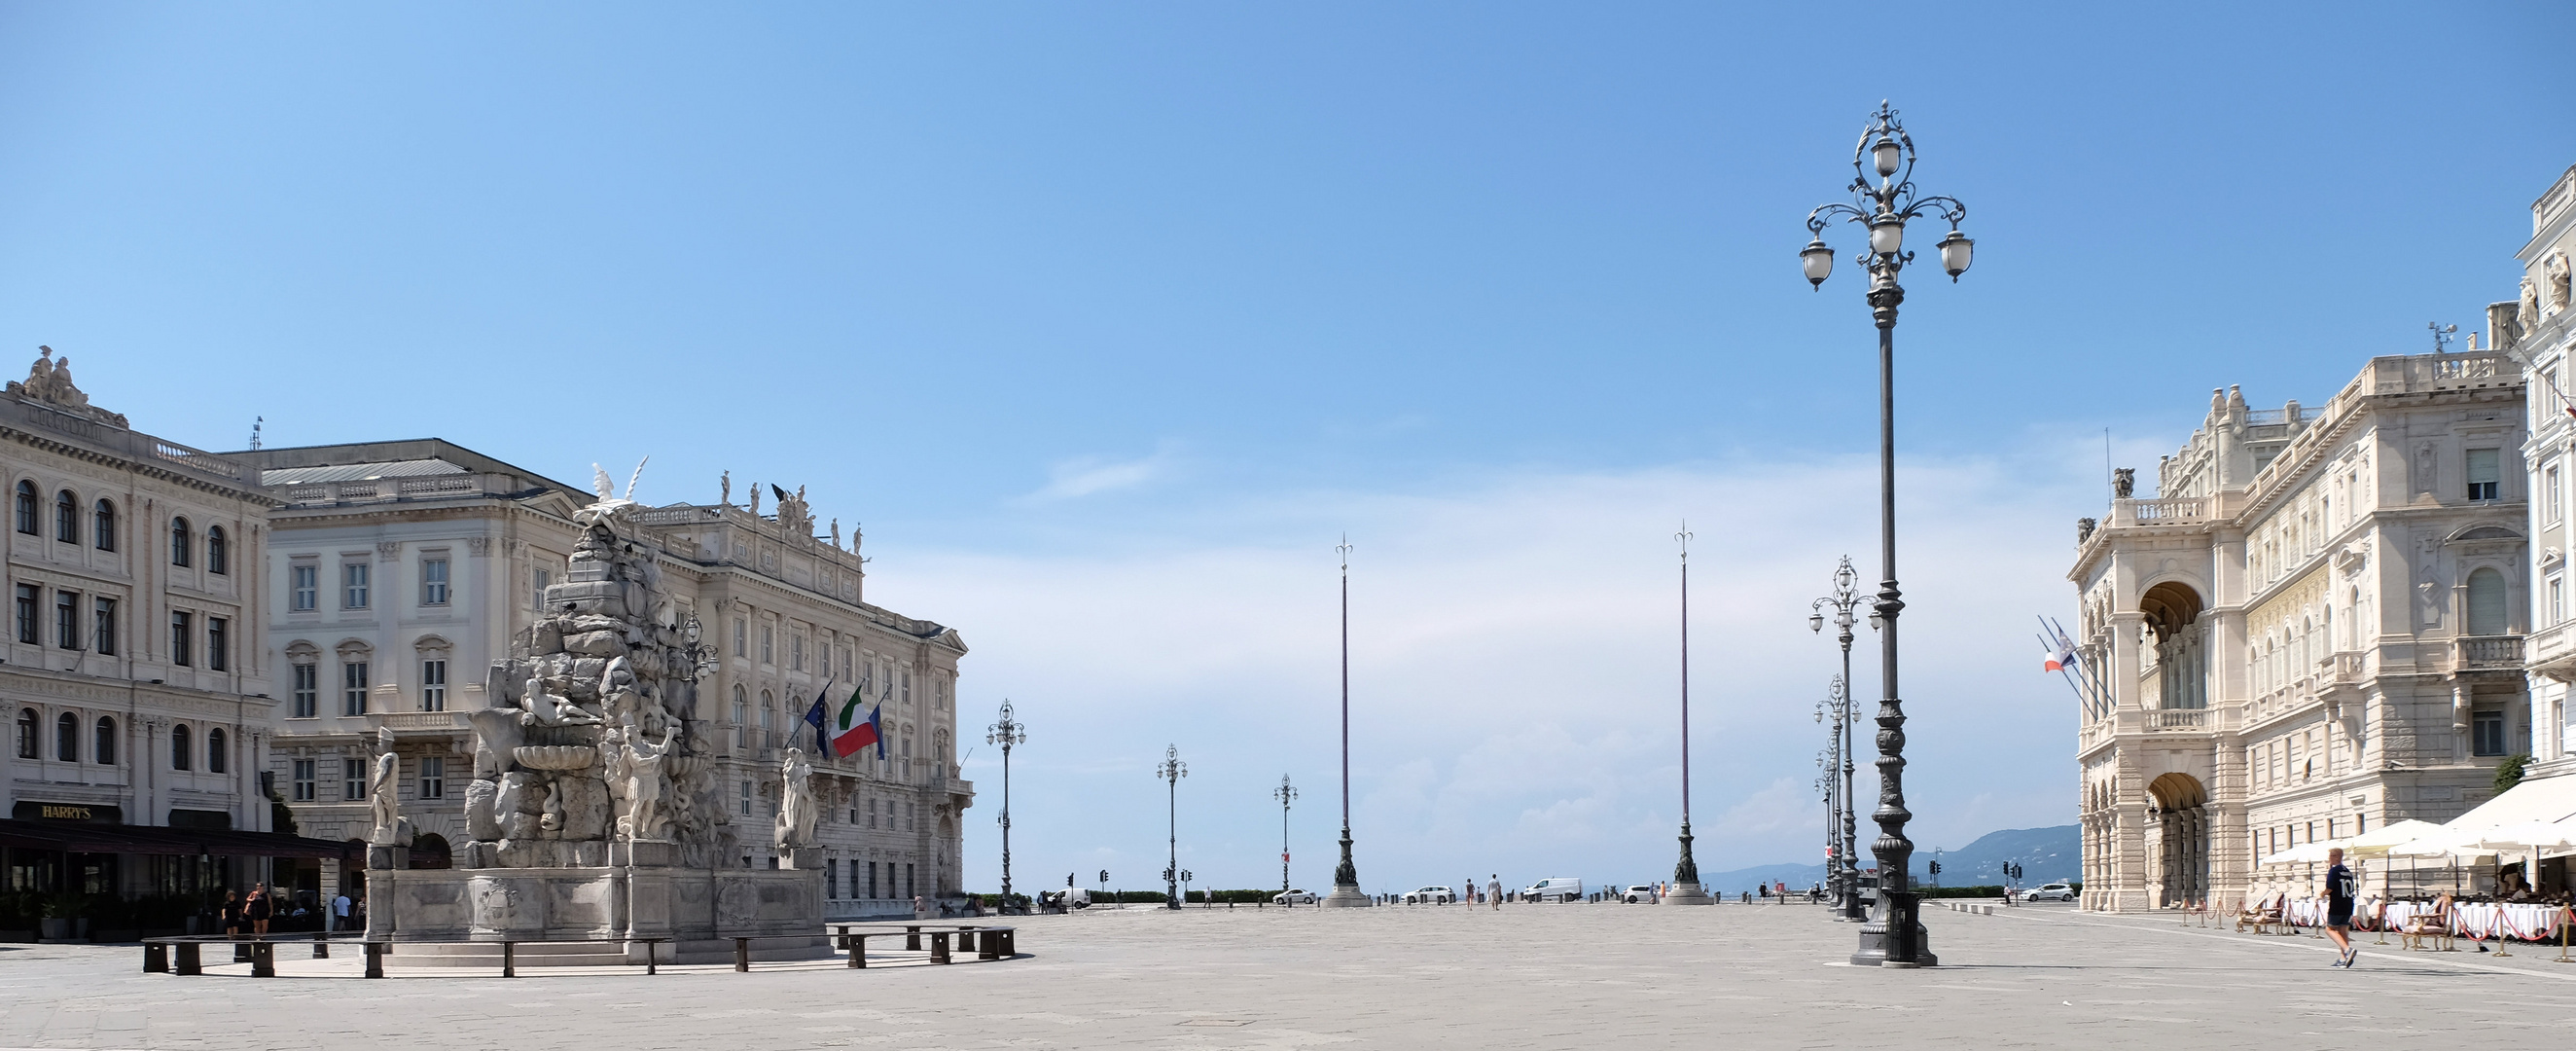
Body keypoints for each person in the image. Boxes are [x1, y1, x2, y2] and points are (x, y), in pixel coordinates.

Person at [2324, 848, 2359, 968]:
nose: (2330, 858)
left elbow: (2330, 888)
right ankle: (2343, 958)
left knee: (2330, 929)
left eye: (2332, 856)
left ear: (2338, 857)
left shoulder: (2334, 871)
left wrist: (2321, 894)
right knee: (2343, 930)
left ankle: (2348, 950)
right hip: (2348, 903)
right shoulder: (2347, 871)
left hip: (2337, 903)